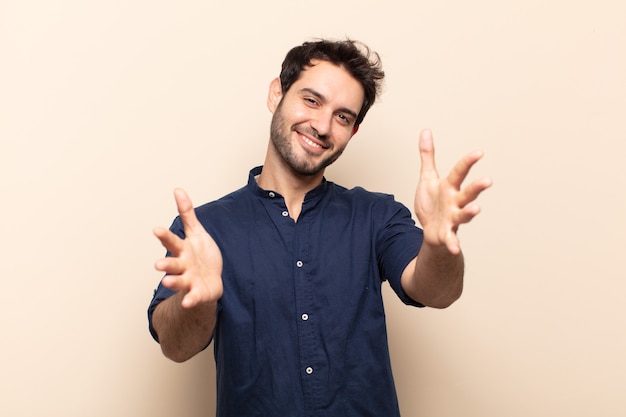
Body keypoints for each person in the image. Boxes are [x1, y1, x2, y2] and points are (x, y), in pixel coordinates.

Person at [148, 38, 492, 416]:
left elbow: (436, 290)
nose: (323, 125)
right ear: (276, 93)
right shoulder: (203, 229)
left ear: (353, 132)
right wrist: (197, 301)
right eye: (311, 100)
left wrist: (440, 244)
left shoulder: (376, 215)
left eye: (343, 116)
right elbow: (174, 345)